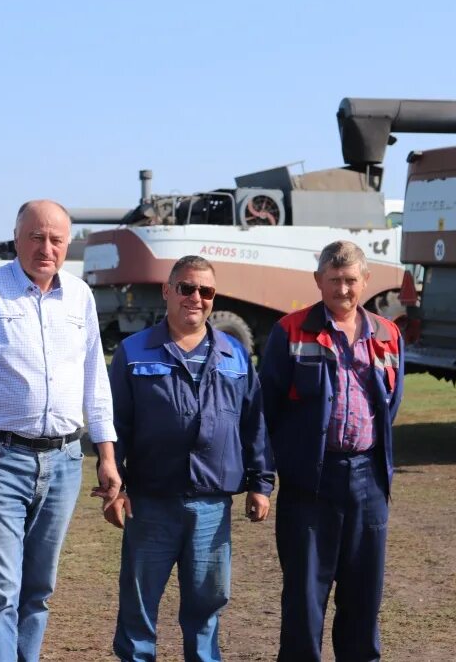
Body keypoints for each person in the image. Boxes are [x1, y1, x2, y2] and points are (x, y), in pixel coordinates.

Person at [0, 199, 122, 661]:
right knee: (0, 590)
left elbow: (94, 379)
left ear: (68, 244)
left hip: (64, 462)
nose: (47, 248)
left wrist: (105, 454)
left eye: (56, 239)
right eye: (36, 237)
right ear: (17, 239)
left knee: (39, 588)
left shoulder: (80, 296)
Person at [104, 255, 275, 662]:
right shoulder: (133, 352)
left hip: (212, 507)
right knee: (139, 611)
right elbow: (114, 426)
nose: (195, 298)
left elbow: (254, 423)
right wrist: (115, 486)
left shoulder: (235, 355)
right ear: (167, 291)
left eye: (206, 291)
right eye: (186, 288)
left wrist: (260, 483)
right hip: (150, 504)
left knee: (206, 610)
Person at [259, 240, 404, 662]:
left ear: (366, 282)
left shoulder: (387, 333)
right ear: (318, 280)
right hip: (310, 483)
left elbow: (391, 402)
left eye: (351, 281)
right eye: (335, 280)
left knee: (363, 600)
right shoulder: (290, 330)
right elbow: (266, 409)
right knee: (304, 600)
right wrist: (264, 479)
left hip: (368, 483)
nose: (343, 289)